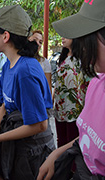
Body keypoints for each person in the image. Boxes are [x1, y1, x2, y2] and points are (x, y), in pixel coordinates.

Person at [0, 5, 55, 180]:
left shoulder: (25, 70)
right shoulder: (8, 66)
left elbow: (40, 124)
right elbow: (7, 104)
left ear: (5, 35)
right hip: (19, 146)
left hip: (33, 151)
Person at [37, 0, 105, 179]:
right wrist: (58, 153)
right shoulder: (97, 82)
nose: (81, 48)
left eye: (86, 41)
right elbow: (89, 136)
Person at [54, 37, 90, 147]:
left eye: (66, 35)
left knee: (72, 144)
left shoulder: (83, 58)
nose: (62, 38)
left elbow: (88, 83)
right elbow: (58, 83)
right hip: (60, 108)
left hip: (75, 109)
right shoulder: (62, 58)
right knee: (61, 141)